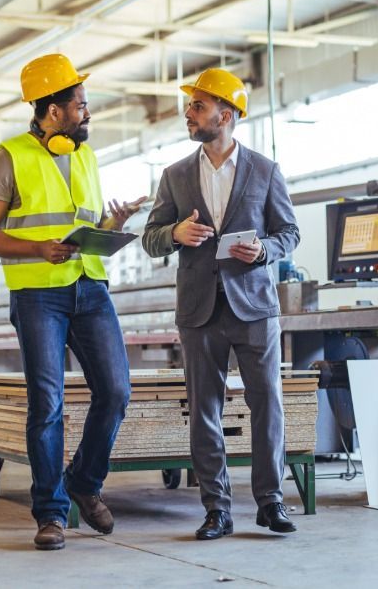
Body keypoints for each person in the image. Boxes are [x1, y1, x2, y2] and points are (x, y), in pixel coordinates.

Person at [0, 54, 145, 551]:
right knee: (47, 404)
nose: (87, 114)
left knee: (115, 391)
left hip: (90, 286)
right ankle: (50, 513)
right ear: (53, 111)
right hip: (38, 295)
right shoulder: (8, 158)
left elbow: (78, 229)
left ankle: (83, 483)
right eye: (80, 105)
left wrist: (112, 226)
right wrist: (36, 250)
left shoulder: (86, 155)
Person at [142, 68, 300, 539]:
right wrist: (174, 233)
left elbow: (289, 232)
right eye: (190, 106)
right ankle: (218, 510)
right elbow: (150, 239)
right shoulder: (174, 176)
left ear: (225, 115)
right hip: (199, 310)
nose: (188, 114)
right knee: (204, 409)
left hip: (253, 306)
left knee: (266, 404)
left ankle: (271, 503)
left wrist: (265, 251)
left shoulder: (266, 170)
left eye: (197, 106)